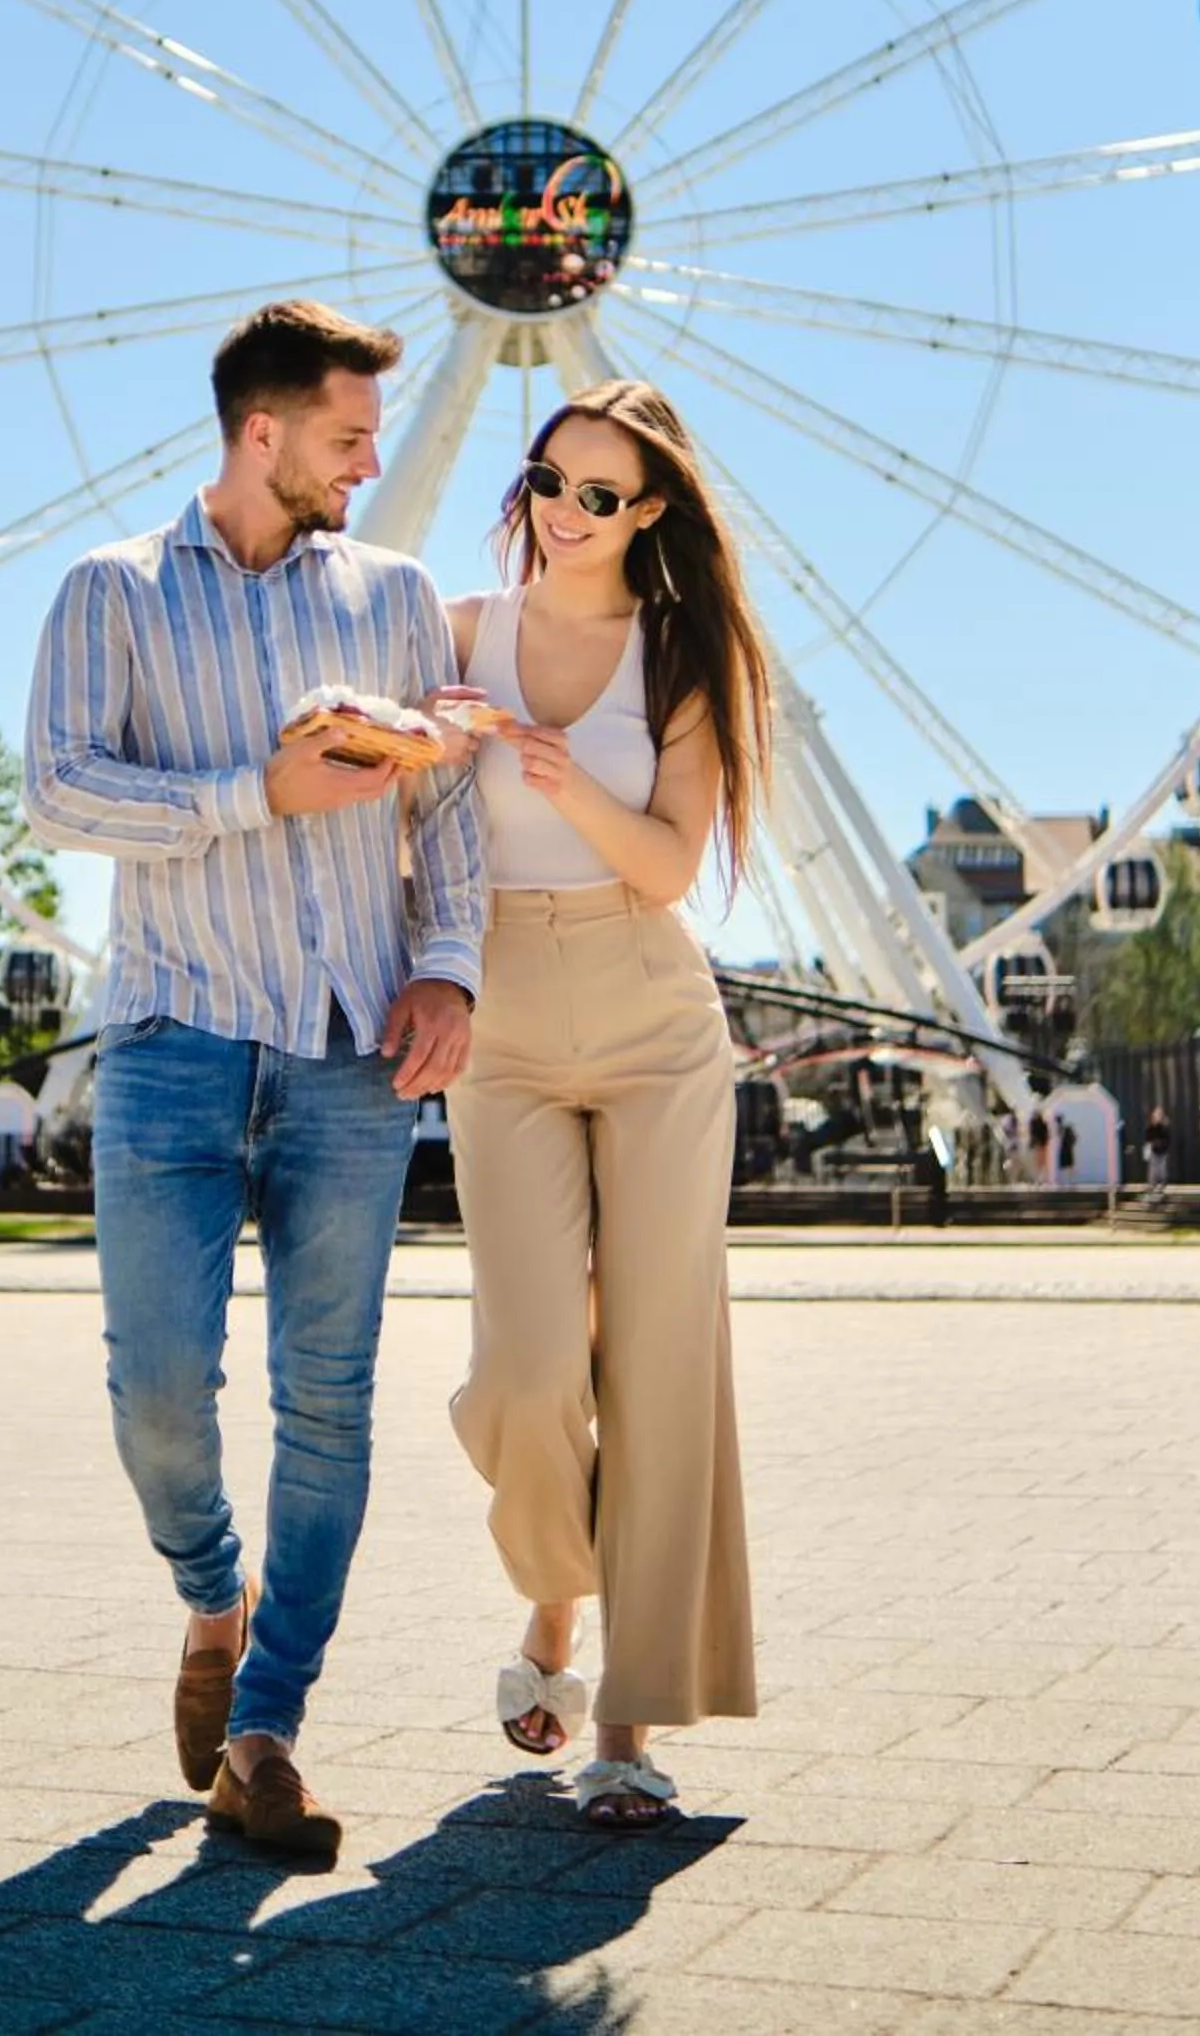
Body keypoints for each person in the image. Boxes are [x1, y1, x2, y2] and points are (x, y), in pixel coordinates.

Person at [22, 301, 485, 1868]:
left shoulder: (401, 599)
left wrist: (453, 965)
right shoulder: (114, 592)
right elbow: (60, 786)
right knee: (157, 1392)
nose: (371, 463)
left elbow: (451, 811)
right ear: (261, 433)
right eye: (350, 437)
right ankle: (212, 1596)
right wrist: (252, 795)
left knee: (329, 1402)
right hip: (175, 1037)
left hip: (357, 1045)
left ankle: (269, 1726)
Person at [435, 381, 771, 1831]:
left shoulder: (683, 656)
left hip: (651, 1015)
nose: (562, 513)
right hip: (500, 1012)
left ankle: (623, 1725)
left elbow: (670, 864)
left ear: (651, 515)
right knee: (523, 1372)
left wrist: (556, 776)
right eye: (548, 480)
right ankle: (556, 1593)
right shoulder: (457, 633)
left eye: (597, 494)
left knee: (655, 1363)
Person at [1144, 1105, 1172, 1203]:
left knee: (1162, 1172)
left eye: (1160, 1114)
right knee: (1153, 1172)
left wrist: (1165, 1147)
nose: (1159, 1116)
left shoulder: (1164, 1126)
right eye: (1157, 1114)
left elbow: (1168, 1139)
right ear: (1154, 1115)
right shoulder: (1151, 1126)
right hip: (1154, 1152)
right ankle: (1151, 1191)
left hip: (1163, 1152)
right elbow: (1148, 1138)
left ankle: (1160, 1190)